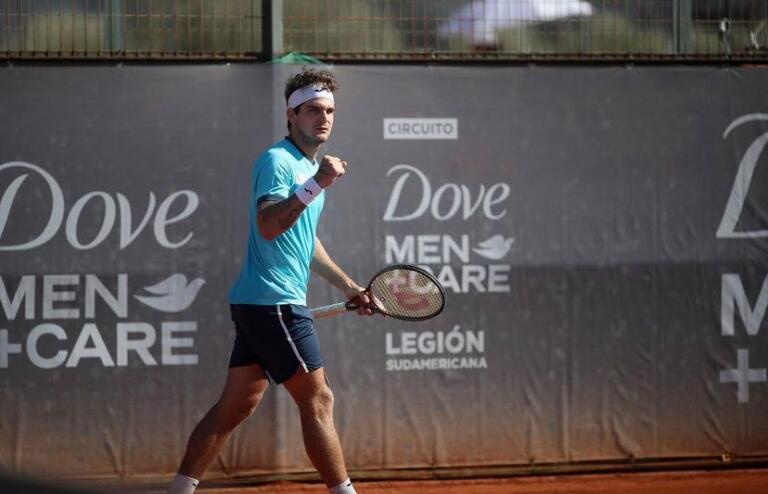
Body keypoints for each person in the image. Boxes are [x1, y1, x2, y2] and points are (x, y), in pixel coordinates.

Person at [168, 69, 370, 494]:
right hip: (273, 302)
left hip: (260, 302)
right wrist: (315, 184)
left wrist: (348, 286)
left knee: (235, 406)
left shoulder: (309, 169)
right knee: (319, 401)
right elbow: (267, 225)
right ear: (291, 114)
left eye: (330, 110)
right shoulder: (279, 162)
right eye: (313, 109)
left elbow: (305, 241)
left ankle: (179, 491)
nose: (324, 118)